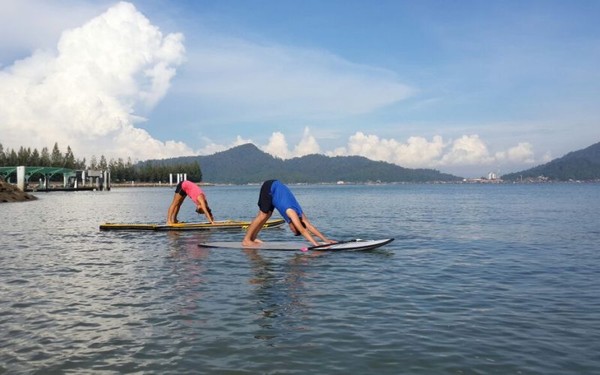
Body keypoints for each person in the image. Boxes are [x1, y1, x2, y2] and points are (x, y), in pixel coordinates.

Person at [242, 179, 334, 247]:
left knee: (267, 215)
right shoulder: (292, 213)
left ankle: (252, 238)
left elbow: (310, 227)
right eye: (293, 230)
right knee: (263, 215)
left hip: (275, 189)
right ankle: (246, 240)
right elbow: (303, 230)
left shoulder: (300, 215)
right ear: (295, 225)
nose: (291, 229)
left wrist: (326, 240)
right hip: (270, 187)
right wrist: (315, 244)